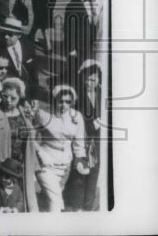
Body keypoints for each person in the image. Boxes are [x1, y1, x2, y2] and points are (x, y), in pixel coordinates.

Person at [0, 77, 37, 212]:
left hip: (21, 164)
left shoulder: (23, 112)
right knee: (3, 201)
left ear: (20, 97)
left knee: (21, 200)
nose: (8, 101)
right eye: (5, 96)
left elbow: (31, 137)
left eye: (13, 98)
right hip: (3, 167)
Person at [28, 84, 88, 212]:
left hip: (65, 166)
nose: (64, 105)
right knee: (55, 201)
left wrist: (80, 160)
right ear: (54, 100)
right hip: (45, 163)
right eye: (61, 101)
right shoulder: (43, 115)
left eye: (68, 102)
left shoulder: (77, 116)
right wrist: (41, 153)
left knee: (55, 201)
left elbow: (79, 143)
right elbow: (30, 137)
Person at [63, 61, 102, 211]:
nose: (89, 83)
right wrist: (95, 124)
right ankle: (76, 206)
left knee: (94, 172)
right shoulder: (76, 97)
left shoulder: (101, 94)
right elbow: (75, 120)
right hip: (81, 141)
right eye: (87, 79)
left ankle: (88, 206)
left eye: (93, 79)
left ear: (98, 80)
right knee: (79, 173)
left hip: (96, 142)